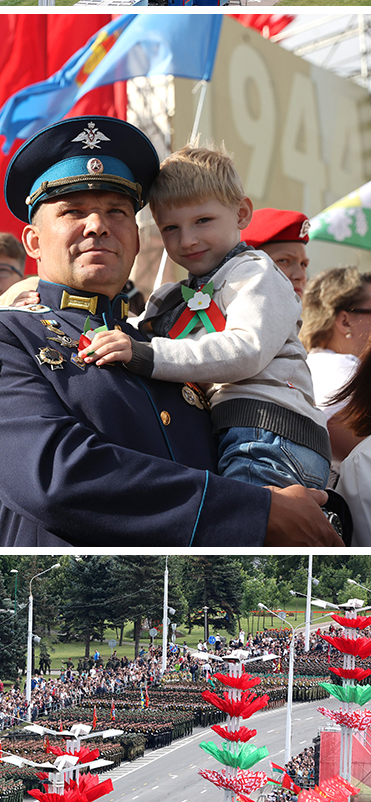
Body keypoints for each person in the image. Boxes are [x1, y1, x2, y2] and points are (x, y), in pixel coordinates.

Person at [0, 105, 289, 553]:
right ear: (33, 241)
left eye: (117, 211)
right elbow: (56, 478)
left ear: (138, 237)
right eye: (72, 211)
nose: (99, 225)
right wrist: (258, 512)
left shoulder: (161, 343)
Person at [139, 150, 333, 533]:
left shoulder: (255, 272)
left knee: (247, 536)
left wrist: (147, 355)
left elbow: (246, 350)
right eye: (170, 228)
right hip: (239, 432)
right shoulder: (168, 298)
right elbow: (136, 339)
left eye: (203, 220)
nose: (187, 239)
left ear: (242, 214)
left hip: (268, 432)